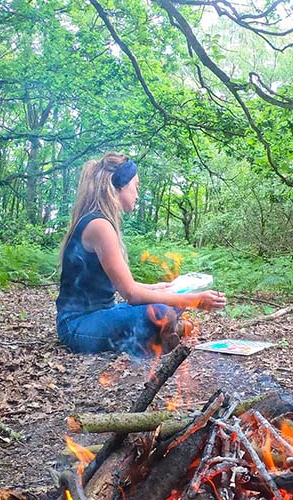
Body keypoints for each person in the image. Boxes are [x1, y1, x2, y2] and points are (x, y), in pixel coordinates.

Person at [56, 152, 226, 357]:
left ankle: (168, 329)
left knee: (169, 305)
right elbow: (131, 294)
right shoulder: (99, 225)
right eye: (136, 187)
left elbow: (125, 286)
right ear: (120, 185)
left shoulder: (100, 222)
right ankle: (168, 330)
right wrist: (194, 300)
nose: (137, 194)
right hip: (76, 326)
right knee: (162, 311)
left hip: (103, 314)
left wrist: (158, 287)